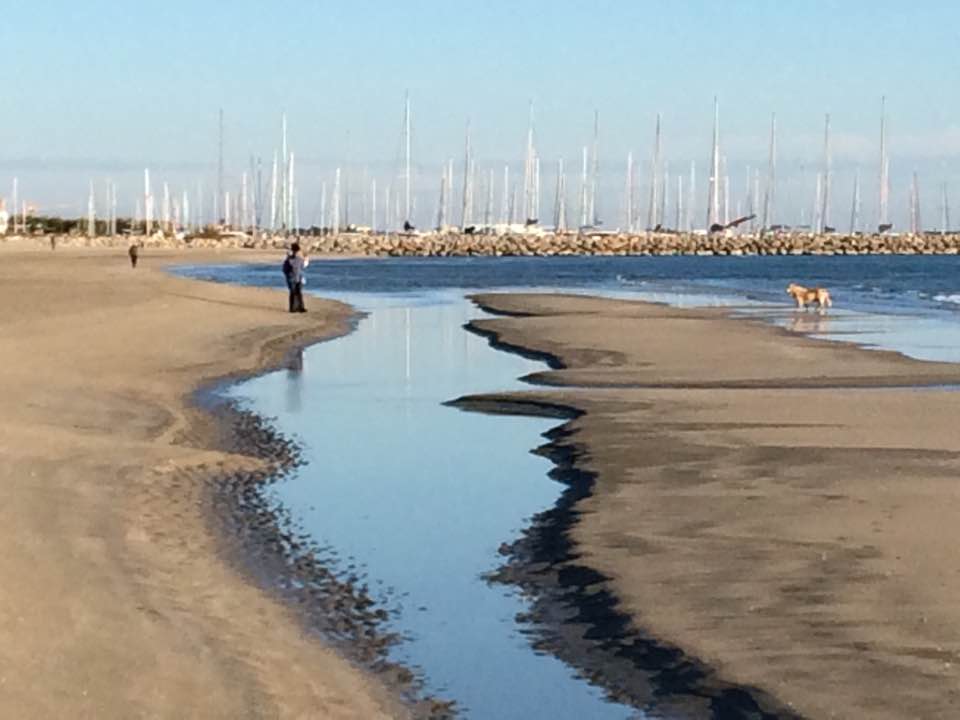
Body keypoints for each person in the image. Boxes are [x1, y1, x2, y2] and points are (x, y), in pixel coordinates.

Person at [283, 242, 308, 313]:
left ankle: (299, 307)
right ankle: (294, 308)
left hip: (297, 277)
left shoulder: (297, 259)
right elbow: (285, 269)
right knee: (294, 292)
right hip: (293, 278)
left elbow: (303, 266)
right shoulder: (290, 259)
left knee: (297, 293)